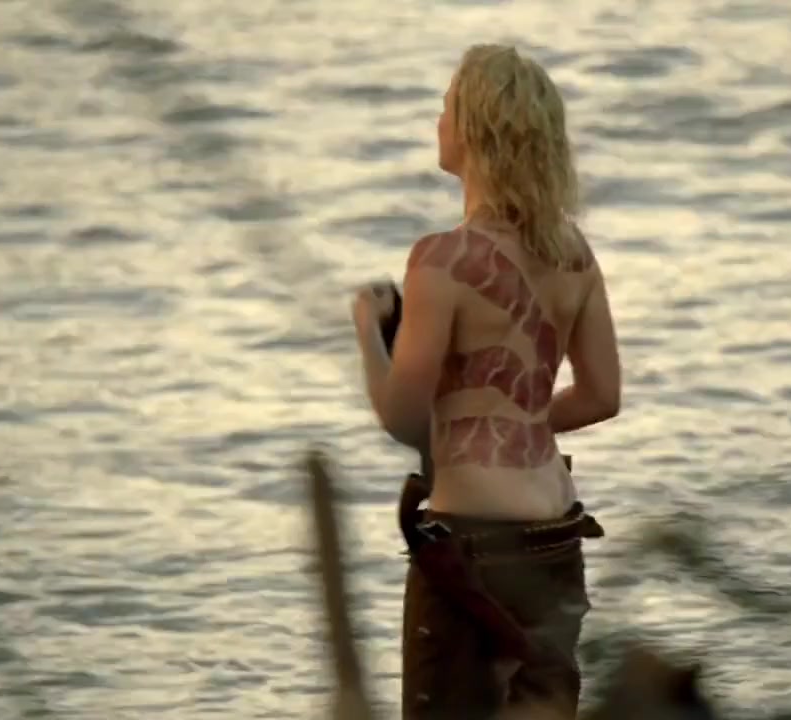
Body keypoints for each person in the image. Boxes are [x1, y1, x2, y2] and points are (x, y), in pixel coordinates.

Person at [348, 43, 622, 719]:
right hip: (556, 538)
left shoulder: (442, 260)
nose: (438, 120)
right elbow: (601, 396)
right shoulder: (573, 253)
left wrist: (366, 329)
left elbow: (404, 418)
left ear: (474, 128)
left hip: (472, 549)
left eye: (447, 106)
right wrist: (519, 418)